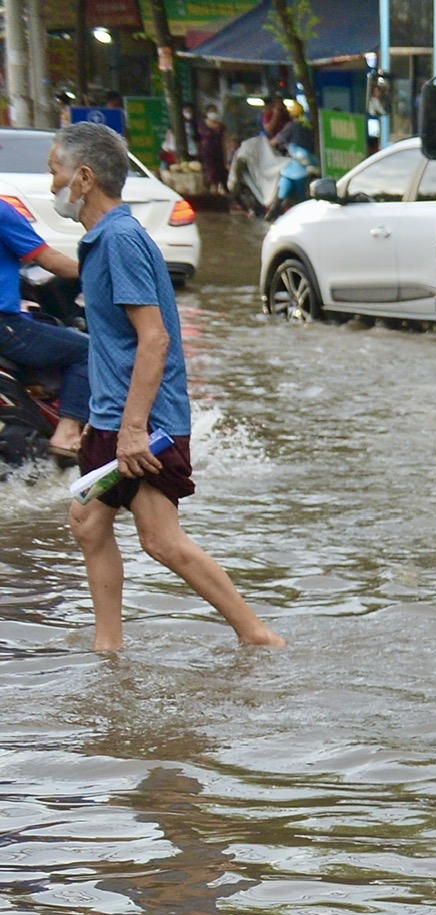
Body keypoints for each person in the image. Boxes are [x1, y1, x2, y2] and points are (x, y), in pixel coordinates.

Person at [50, 122, 283, 654]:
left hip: (143, 422)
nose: (51, 184)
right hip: (114, 417)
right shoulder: (104, 239)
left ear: (84, 178)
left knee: (160, 539)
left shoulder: (122, 240)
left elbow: (153, 340)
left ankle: (260, 637)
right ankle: (108, 650)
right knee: (88, 521)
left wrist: (134, 429)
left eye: (55, 171)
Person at [0, 196, 92, 459]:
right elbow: (50, 261)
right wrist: (97, 270)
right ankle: (67, 433)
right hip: (6, 328)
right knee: (88, 350)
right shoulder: (3, 212)